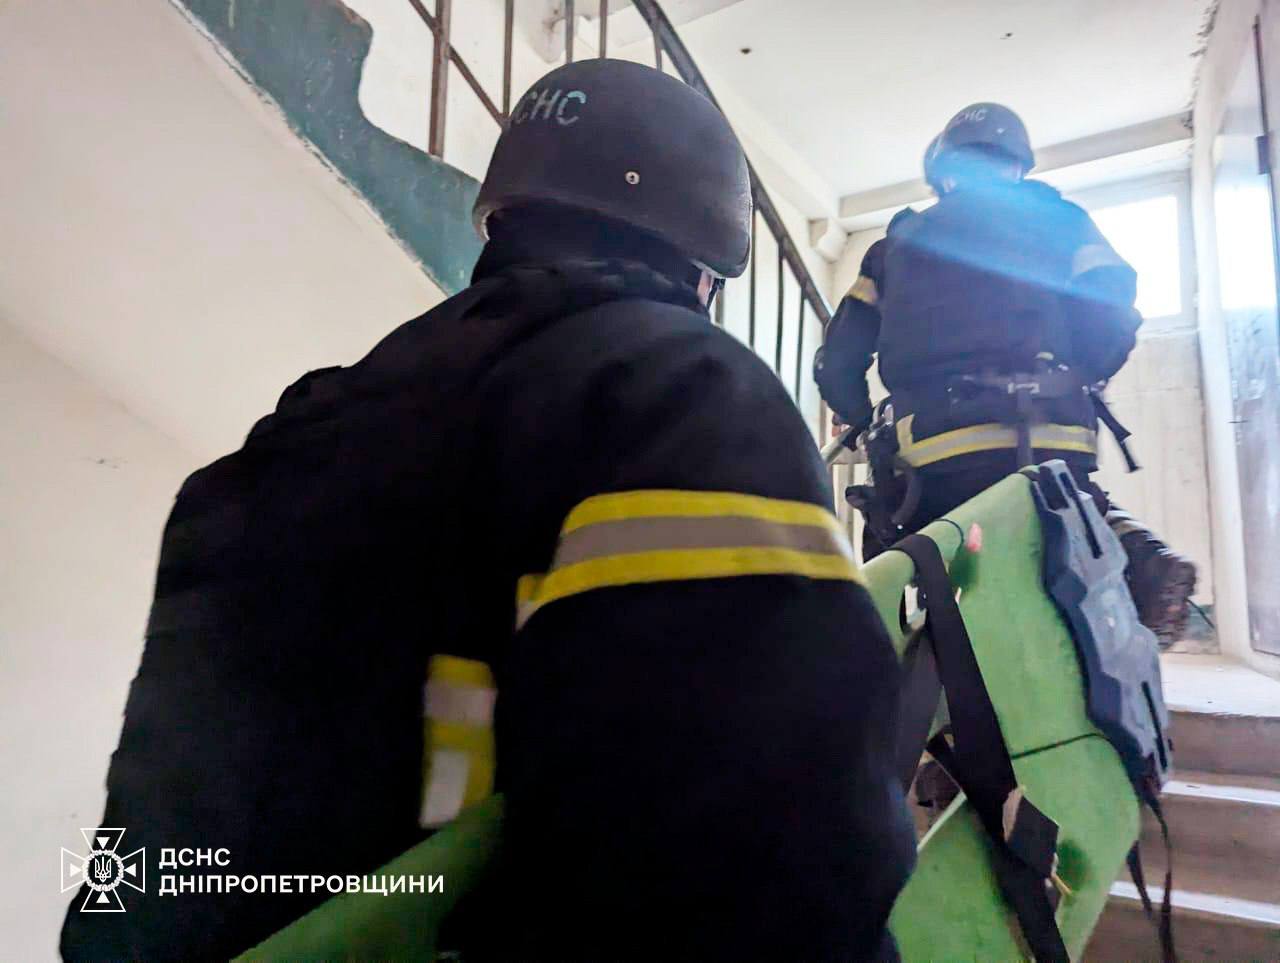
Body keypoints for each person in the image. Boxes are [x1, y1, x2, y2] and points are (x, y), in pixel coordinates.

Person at [62, 60, 914, 961]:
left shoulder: (282, 445)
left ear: (501, 221)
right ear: (703, 271)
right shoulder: (682, 392)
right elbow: (777, 845)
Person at [814, 103, 1196, 646]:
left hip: (937, 445)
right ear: (1018, 166)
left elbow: (837, 361)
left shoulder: (896, 244)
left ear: (944, 172)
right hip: (1056, 430)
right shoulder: (1065, 221)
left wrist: (855, 416)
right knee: (1067, 499)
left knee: (920, 533)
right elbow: (1114, 309)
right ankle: (1128, 545)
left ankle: (900, 642)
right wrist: (1078, 374)